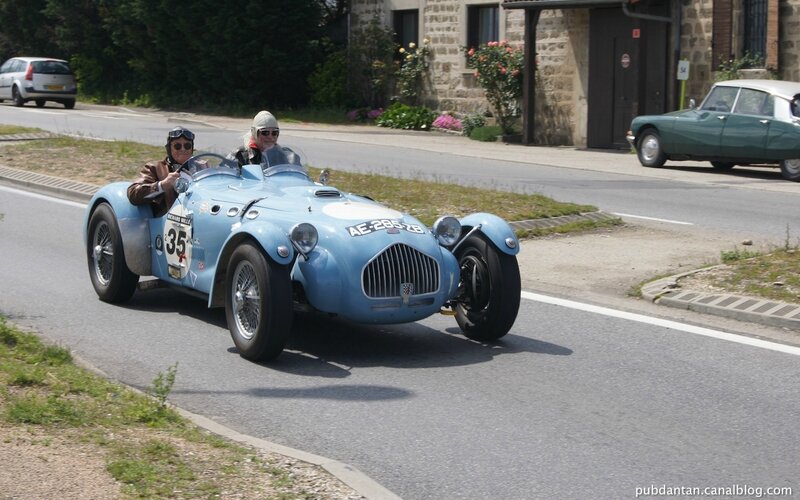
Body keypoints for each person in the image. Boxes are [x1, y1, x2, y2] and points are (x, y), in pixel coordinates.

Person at [127, 126, 195, 217]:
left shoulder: (203, 167)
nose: (183, 149)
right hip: (169, 220)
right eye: (177, 146)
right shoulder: (155, 168)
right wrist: (162, 185)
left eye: (187, 146)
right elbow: (133, 193)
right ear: (169, 149)